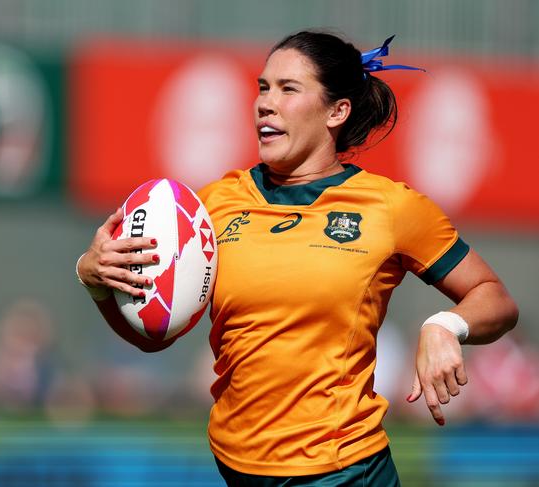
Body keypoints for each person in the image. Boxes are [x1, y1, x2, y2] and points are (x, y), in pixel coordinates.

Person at [76, 30, 518, 486]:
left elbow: (495, 300)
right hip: (237, 470)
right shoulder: (212, 206)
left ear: (336, 111)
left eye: (289, 89)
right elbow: (155, 336)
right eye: (263, 87)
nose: (266, 103)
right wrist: (97, 285)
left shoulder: (391, 208)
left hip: (342, 472)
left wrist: (445, 326)